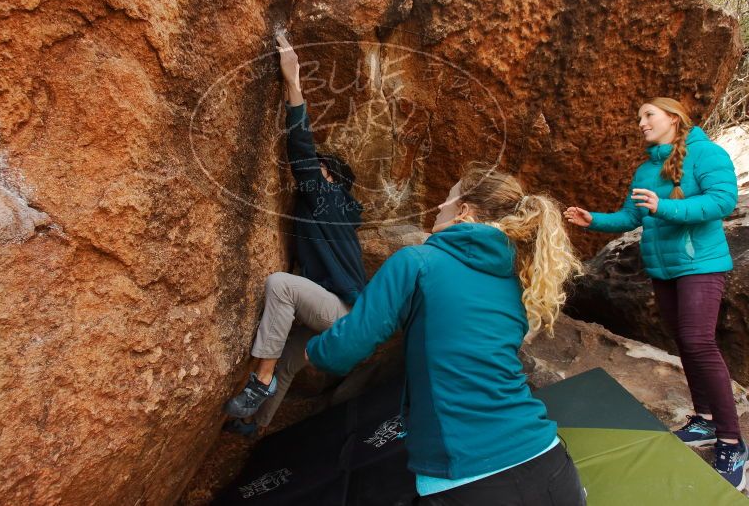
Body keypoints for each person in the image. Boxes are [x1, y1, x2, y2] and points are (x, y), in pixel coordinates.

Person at [306, 168, 587, 505]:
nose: (439, 205)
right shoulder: (517, 283)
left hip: (467, 477)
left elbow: (342, 351)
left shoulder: (417, 261)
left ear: (464, 210)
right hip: (548, 461)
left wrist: (309, 352)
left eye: (448, 198)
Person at [564, 97, 743, 489]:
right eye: (639, 117)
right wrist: (592, 219)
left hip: (702, 265)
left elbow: (722, 201)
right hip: (663, 270)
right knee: (685, 342)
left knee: (699, 342)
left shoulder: (706, 154)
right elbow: (631, 217)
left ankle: (732, 441)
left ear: (674, 118)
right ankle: (705, 421)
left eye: (648, 115)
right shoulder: (645, 169)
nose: (641, 123)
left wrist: (666, 207)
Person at [223, 33, 367, 435]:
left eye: (320, 168)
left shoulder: (328, 197)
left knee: (281, 286)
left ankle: (258, 384)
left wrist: (293, 83)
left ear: (330, 178)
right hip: (342, 316)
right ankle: (254, 424)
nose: (311, 172)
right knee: (288, 360)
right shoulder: (332, 212)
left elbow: (301, 151)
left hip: (344, 314)